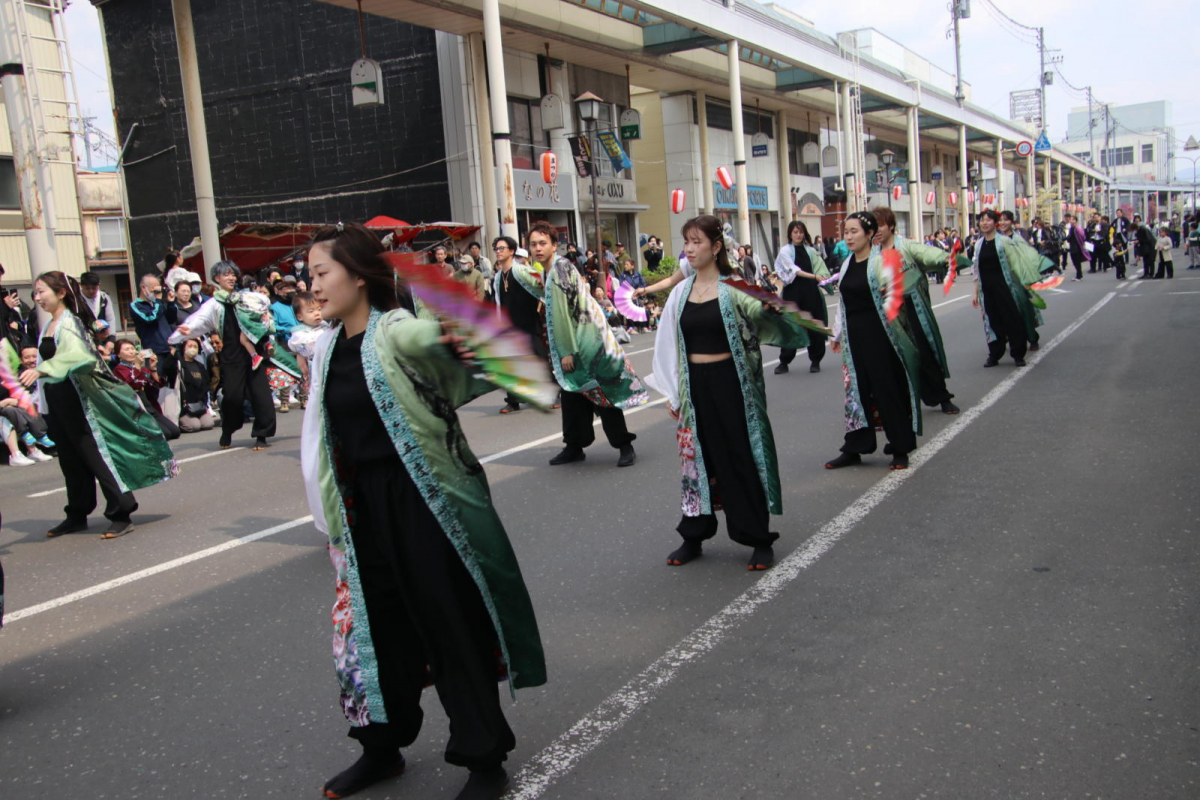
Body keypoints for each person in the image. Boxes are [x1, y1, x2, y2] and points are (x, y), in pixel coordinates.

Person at [297, 222, 545, 800]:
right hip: (362, 509)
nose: (312, 286)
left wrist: (451, 308)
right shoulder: (329, 344)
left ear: (359, 276)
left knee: (448, 623)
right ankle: (381, 749)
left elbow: (460, 349)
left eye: (321, 273)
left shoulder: (398, 331)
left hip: (421, 503)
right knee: (372, 634)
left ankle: (485, 759)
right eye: (309, 276)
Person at [646, 215, 807, 570]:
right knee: (695, 461)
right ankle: (694, 534)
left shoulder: (734, 287)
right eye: (685, 241)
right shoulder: (680, 293)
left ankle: (757, 537)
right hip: (694, 386)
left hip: (730, 385)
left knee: (738, 457)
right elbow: (667, 345)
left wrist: (771, 308)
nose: (688, 249)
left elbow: (768, 314)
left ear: (716, 247)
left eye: (696, 242)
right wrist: (674, 393)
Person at [18, 271, 177, 538]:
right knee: (70, 459)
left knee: (94, 455)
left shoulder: (70, 323)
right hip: (57, 400)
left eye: (41, 291)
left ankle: (121, 510)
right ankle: (77, 513)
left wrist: (44, 369)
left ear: (61, 293)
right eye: (35, 292)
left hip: (77, 400)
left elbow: (80, 357)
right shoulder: (48, 324)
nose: (37, 297)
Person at [511, 220, 647, 467]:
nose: (538, 248)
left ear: (555, 245)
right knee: (573, 396)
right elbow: (545, 294)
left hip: (586, 344)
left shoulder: (559, 269)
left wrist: (567, 351)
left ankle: (624, 445)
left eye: (543, 243)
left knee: (601, 393)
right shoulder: (549, 269)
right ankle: (574, 446)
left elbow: (563, 313)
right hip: (580, 341)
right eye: (533, 244)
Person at [823, 213, 923, 472]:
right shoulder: (846, 265)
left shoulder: (880, 262)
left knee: (886, 388)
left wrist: (891, 291)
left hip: (880, 336)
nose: (848, 236)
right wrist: (837, 334)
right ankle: (855, 446)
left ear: (869, 234)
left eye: (854, 231)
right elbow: (843, 303)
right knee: (855, 393)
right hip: (854, 336)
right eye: (846, 231)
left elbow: (904, 285)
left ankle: (900, 447)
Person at [169, 261, 276, 451]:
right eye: (226, 274)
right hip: (231, 356)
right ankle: (228, 429)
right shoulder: (213, 304)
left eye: (233, 274)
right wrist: (186, 331)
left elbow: (263, 308)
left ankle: (262, 435)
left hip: (253, 353)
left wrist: (266, 320)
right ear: (217, 278)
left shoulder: (245, 297)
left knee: (261, 396)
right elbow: (199, 320)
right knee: (232, 398)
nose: (231, 278)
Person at [871, 207, 960, 415]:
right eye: (874, 227)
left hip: (912, 309)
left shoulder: (906, 246)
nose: (877, 230)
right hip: (888, 314)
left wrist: (946, 259)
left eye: (881, 225)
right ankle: (903, 402)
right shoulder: (872, 255)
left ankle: (942, 396)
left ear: (891, 226)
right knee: (895, 358)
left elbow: (928, 254)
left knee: (925, 352)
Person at [971, 210, 1054, 368]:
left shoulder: (1004, 241)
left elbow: (1017, 262)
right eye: (982, 220)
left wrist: (1025, 282)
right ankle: (994, 354)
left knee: (1012, 320)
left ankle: (1017, 354)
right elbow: (976, 269)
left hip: (1005, 288)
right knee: (992, 323)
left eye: (988, 220)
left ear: (995, 223)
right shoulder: (979, 244)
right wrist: (975, 291)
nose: (984, 223)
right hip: (987, 290)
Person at [491, 236, 543, 414]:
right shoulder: (497, 277)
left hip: (528, 322)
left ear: (512, 251)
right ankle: (513, 401)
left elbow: (542, 290)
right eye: (496, 249)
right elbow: (498, 302)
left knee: (540, 358)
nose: (498, 251)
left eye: (501, 248)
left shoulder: (523, 271)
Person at [772, 220, 827, 375]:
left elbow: (821, 267)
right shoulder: (785, 251)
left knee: (814, 325)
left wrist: (825, 278)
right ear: (790, 234)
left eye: (801, 232)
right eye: (795, 232)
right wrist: (815, 276)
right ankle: (784, 361)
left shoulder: (810, 251)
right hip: (792, 293)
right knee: (791, 326)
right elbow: (794, 271)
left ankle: (815, 360)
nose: (798, 235)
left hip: (811, 291)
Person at [112, 339, 180, 440]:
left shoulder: (142, 369)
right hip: (136, 409)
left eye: (132, 349)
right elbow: (131, 383)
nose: (131, 352)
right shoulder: (119, 369)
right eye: (127, 349)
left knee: (175, 432)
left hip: (149, 407)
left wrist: (153, 368)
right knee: (165, 434)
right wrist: (138, 366)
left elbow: (157, 385)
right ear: (118, 355)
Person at [129, 273, 179, 386]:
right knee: (158, 384)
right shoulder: (136, 305)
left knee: (175, 384)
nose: (156, 293)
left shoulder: (158, 304)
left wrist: (170, 303)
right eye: (154, 290)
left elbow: (171, 319)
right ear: (143, 288)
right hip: (155, 351)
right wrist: (158, 301)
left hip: (170, 348)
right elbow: (150, 319)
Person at [177, 338, 215, 432]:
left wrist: (205, 403)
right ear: (183, 348)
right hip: (185, 408)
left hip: (199, 406)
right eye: (190, 346)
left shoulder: (200, 366)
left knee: (208, 424)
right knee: (194, 426)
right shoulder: (179, 365)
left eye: (195, 346)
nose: (193, 348)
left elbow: (206, 385)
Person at [79, 272, 117, 338]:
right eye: (87, 288)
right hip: (85, 339)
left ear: (99, 285)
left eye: (94, 288)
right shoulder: (76, 299)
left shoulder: (104, 297)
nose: (91, 291)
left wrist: (111, 338)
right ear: (81, 285)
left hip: (104, 337)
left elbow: (110, 319)